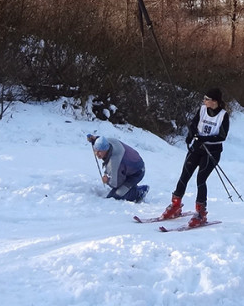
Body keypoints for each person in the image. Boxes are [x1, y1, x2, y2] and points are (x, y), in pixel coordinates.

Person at [159, 87, 230, 227]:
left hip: (212, 151)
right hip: (197, 148)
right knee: (185, 175)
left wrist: (205, 138)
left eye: (207, 99)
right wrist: (190, 135)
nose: (204, 101)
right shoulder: (203, 109)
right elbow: (194, 124)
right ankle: (175, 205)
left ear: (214, 101)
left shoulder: (223, 115)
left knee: (201, 179)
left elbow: (222, 136)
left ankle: (201, 212)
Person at [87, 134, 149, 202]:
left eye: (100, 151)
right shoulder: (109, 141)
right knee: (114, 194)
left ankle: (140, 192)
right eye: (95, 150)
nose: (97, 153)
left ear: (106, 149)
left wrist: (107, 180)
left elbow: (115, 184)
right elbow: (101, 141)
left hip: (137, 172)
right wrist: (94, 139)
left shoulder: (114, 162)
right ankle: (129, 187)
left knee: (115, 197)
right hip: (127, 167)